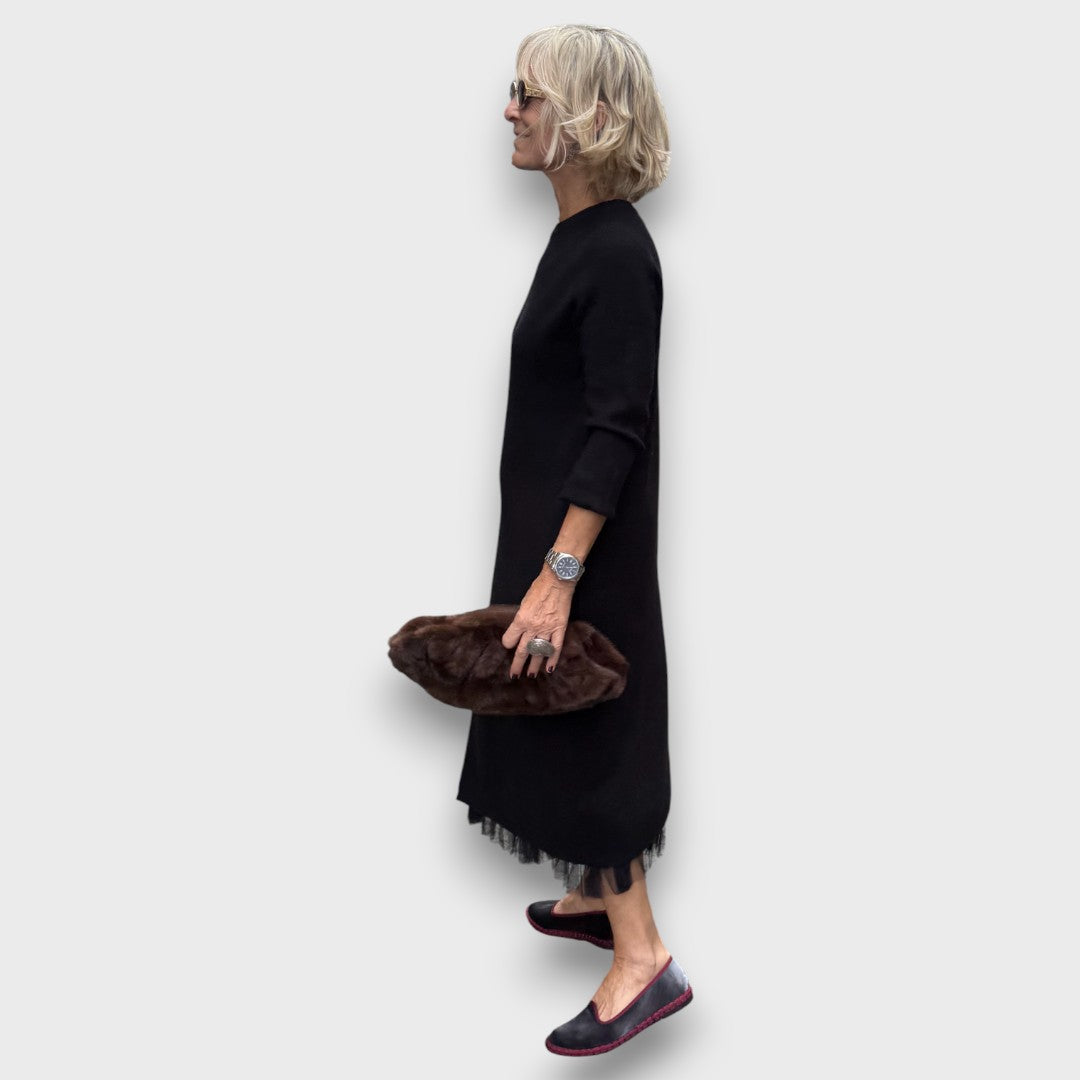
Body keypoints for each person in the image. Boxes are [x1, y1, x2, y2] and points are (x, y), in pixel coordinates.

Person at [455, 24, 692, 1055]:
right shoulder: (580, 241)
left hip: (585, 553)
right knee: (553, 710)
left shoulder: (618, 255)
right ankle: (599, 895)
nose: (510, 110)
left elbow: (616, 427)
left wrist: (559, 574)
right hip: (556, 538)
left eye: (529, 94)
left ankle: (644, 961)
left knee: (593, 725)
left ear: (590, 119)